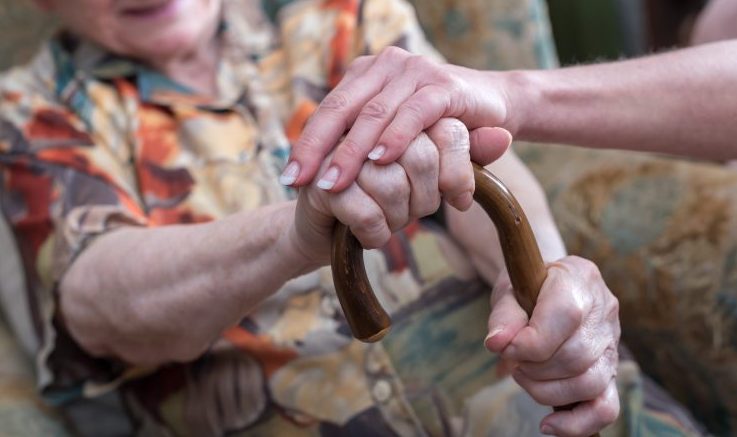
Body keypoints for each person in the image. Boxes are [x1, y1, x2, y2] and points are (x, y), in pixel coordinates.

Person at [0, 0, 700, 436]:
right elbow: (97, 301)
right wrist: (294, 234)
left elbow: (477, 158)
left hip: (522, 403)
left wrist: (538, 282)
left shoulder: (341, 17)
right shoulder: (31, 110)